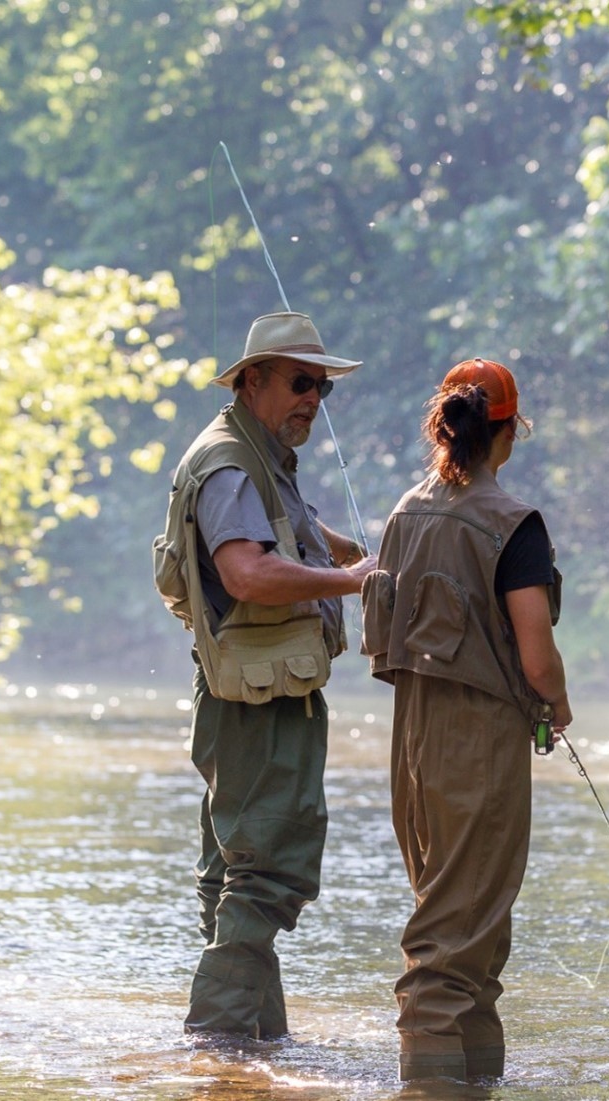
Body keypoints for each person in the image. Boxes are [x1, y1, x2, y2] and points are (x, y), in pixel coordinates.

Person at [153, 311, 377, 1043]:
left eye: (323, 388)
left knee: (235, 874)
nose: (314, 398)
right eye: (301, 382)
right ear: (252, 381)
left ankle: (255, 1045)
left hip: (244, 699)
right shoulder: (228, 463)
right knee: (265, 872)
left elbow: (295, 526)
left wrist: (363, 550)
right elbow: (245, 570)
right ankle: (216, 1045)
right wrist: (357, 583)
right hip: (257, 706)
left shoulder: (255, 456)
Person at [360, 357, 572, 1082]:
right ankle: (428, 1080)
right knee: (455, 937)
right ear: (509, 430)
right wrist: (559, 705)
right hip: (480, 736)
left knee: (471, 919)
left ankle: (476, 1081)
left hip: (412, 739)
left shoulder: (403, 512)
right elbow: (537, 656)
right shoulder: (513, 524)